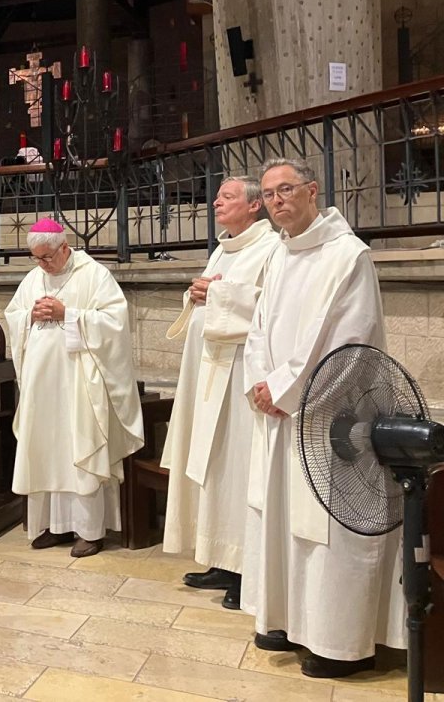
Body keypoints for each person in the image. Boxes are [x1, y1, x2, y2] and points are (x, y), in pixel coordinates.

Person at [242, 157, 405, 678]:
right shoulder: (279, 255)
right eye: (268, 193)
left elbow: (349, 341)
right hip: (281, 413)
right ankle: (286, 620)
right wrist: (259, 382)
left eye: (286, 189)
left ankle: (338, 643)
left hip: (329, 415)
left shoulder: (347, 256)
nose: (276, 200)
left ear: (313, 191)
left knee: (327, 530)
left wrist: (286, 390)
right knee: (280, 518)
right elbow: (257, 330)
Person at [161, 177, 279, 608]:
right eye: (217, 196)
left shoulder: (271, 249)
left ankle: (247, 570)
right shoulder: (224, 247)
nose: (216, 202)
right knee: (215, 468)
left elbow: (271, 307)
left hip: (241, 378)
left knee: (239, 471)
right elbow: (216, 295)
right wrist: (198, 294)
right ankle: (221, 559)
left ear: (253, 207)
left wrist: (219, 293)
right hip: (211, 376)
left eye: (226, 197)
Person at [3, 218, 143, 556]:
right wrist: (29, 317)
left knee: (78, 446)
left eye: (47, 257)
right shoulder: (34, 277)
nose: (42, 265)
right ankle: (54, 525)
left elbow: (115, 323)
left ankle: (88, 530)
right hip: (41, 383)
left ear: (65, 247)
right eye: (36, 258)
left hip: (79, 381)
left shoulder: (94, 275)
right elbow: (14, 313)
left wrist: (69, 313)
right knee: (47, 449)